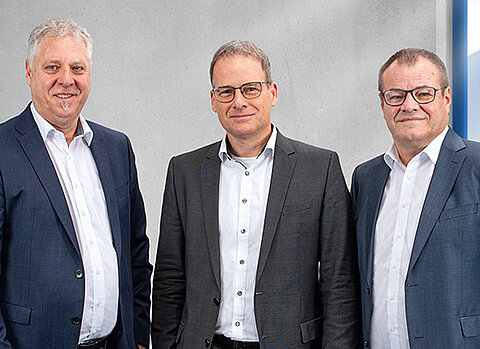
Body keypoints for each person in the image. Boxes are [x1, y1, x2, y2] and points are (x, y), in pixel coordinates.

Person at [152, 40, 360, 349]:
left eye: (250, 89)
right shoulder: (185, 171)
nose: (238, 102)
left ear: (272, 93)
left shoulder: (320, 169)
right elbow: (169, 277)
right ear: (213, 100)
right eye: (226, 91)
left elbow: (339, 281)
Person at [0, 18, 152, 348]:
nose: (66, 80)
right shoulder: (2, 149)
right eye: (52, 67)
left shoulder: (116, 148)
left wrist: (139, 338)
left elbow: (135, 252)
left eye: (77, 68)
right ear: (29, 72)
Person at [351, 48, 480, 348]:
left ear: (446, 98)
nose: (409, 105)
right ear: (382, 104)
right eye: (396, 95)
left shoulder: (476, 166)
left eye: (423, 93)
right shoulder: (366, 178)